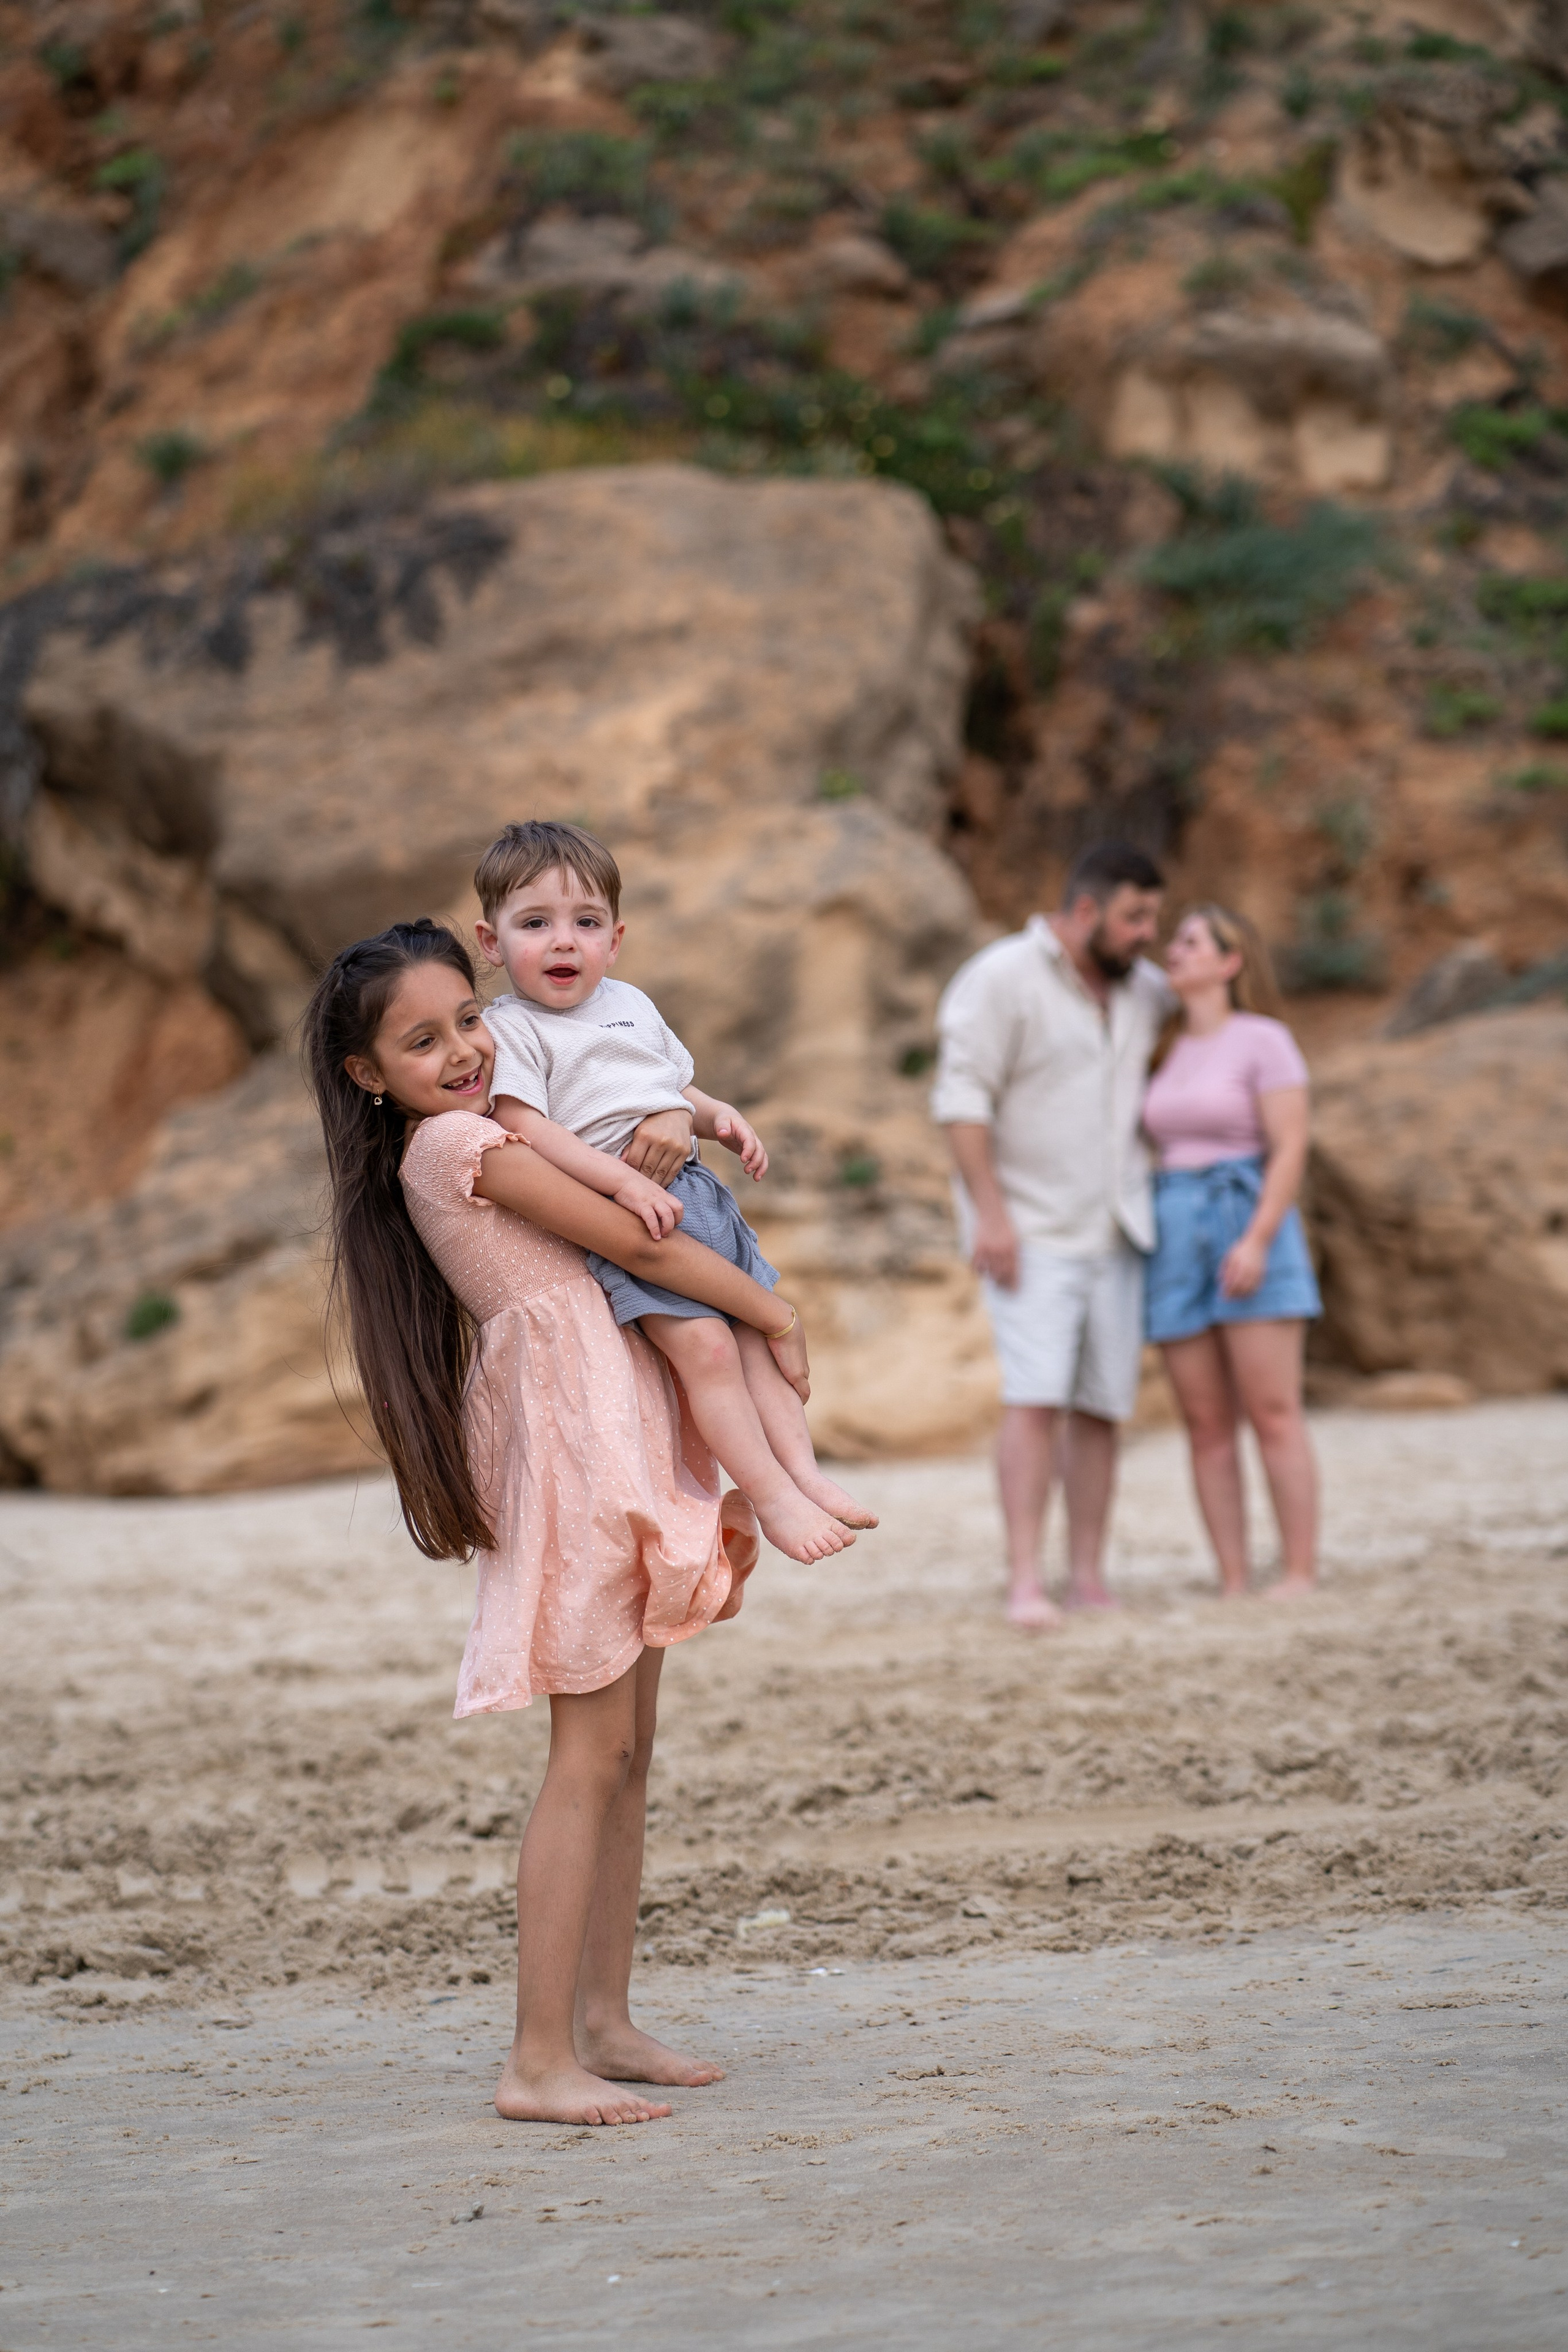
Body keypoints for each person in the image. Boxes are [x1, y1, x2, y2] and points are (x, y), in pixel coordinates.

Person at [302, 918, 820, 2130]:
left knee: (629, 1753)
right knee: (585, 1756)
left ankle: (603, 2019)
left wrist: (674, 1114)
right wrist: (773, 1316)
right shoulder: (454, 1146)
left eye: (469, 1021)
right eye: (421, 1042)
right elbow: (635, 1233)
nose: (465, 1051)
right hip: (572, 1440)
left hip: (613, 1417)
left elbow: (634, 1136)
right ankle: (536, 2058)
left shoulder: (504, 1118)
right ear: (367, 1076)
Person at [473, 818, 874, 1564]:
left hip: (697, 1194)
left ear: (615, 939)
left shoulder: (630, 1002)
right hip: (625, 1213)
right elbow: (529, 1127)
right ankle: (771, 1497)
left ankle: (808, 1476)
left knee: (757, 1338)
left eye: (585, 923)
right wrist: (624, 1179)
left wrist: (720, 1118)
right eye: (535, 923)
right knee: (710, 1352)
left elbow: (672, 1087)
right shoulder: (513, 1029)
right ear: (490, 943)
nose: (564, 942)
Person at [932, 840, 1167, 1630]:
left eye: (1156, 920)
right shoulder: (1001, 976)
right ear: (1087, 909)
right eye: (1136, 917)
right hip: (1029, 1231)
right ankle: (1025, 1578)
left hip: (1119, 1227)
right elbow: (962, 1100)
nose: (1147, 935)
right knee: (1034, 1401)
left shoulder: (1141, 991)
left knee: (1101, 1407)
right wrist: (991, 1214)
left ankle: (1089, 1575)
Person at [1142, 903, 1322, 1599]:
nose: (1174, 951)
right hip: (1172, 1226)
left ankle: (1299, 1570)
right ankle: (1233, 1576)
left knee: (1273, 1411)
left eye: (1191, 942)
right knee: (1205, 1420)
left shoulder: (1264, 1039)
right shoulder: (1162, 1045)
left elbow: (1291, 1146)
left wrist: (1256, 1239)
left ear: (1230, 961)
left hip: (1244, 1214)